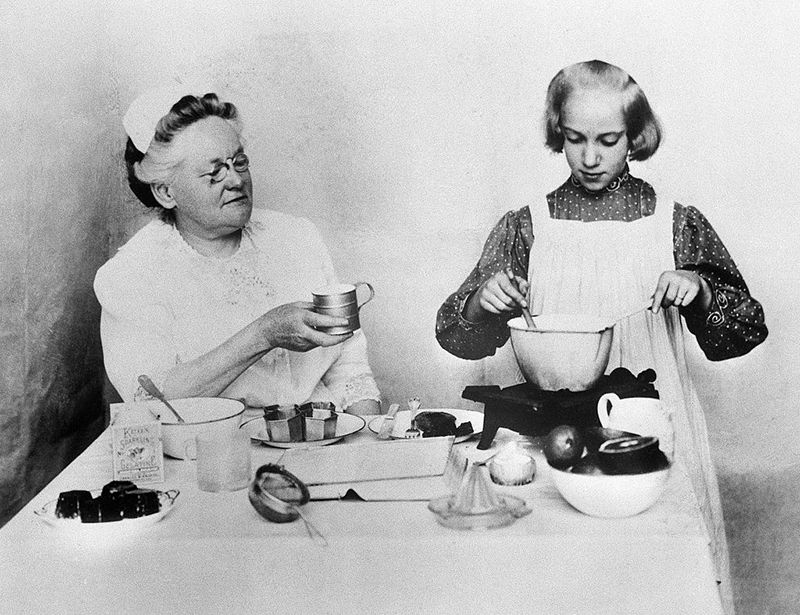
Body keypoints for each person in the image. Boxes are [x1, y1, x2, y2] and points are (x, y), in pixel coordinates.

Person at [436, 60, 767, 613]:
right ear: (556, 133)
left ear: (635, 136)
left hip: (654, 425)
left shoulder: (675, 223)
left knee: (651, 584)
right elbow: (457, 338)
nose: (590, 158)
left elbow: (744, 330)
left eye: (608, 141)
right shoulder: (526, 226)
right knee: (556, 582)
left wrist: (700, 289)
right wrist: (481, 301)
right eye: (574, 139)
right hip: (550, 431)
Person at [95, 86, 381, 415]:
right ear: (165, 192)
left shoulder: (296, 238)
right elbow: (150, 401)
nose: (235, 180)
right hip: (213, 450)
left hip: (322, 435)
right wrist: (264, 334)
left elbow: (350, 370)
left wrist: (367, 443)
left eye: (239, 161)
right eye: (214, 171)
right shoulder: (131, 276)